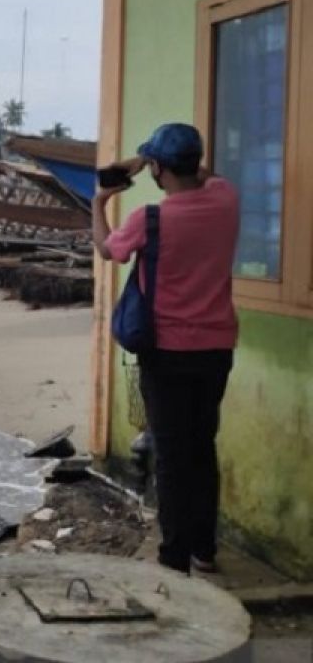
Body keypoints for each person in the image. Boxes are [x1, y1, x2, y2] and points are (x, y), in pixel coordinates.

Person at [92, 122, 239, 575]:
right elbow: (207, 174)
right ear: (194, 162)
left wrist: (100, 201)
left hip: (166, 351)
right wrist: (160, 159)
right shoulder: (225, 200)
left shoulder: (150, 219)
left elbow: (106, 250)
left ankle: (173, 558)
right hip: (216, 349)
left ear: (157, 170)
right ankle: (204, 551)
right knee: (201, 446)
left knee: (172, 457)